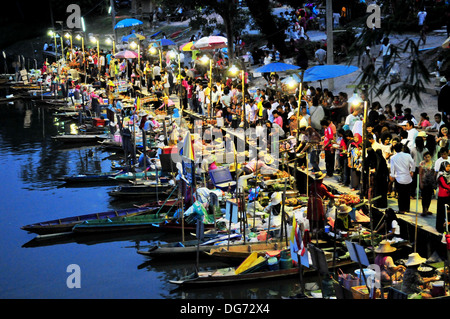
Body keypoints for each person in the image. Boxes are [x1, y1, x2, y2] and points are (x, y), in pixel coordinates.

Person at [389, 142, 415, 214]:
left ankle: (401, 209)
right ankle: (407, 208)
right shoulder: (408, 155)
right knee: (407, 193)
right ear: (402, 148)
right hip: (407, 177)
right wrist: (412, 171)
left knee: (400, 195)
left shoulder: (393, 157)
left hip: (399, 178)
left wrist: (392, 175)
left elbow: (392, 168)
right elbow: (413, 163)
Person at [419, 151, 436, 216]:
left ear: (430, 157)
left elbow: (435, 173)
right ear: (424, 157)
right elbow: (420, 174)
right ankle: (424, 210)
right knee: (424, 196)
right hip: (424, 182)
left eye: (428, 157)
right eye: (426, 157)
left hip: (431, 182)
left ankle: (427, 209)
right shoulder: (422, 163)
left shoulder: (433, 163)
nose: (427, 158)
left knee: (429, 197)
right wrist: (420, 183)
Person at [436, 161, 450, 233]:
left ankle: (447, 227)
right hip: (442, 196)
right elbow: (444, 185)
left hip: (448, 195)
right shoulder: (441, 175)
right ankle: (440, 227)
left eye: (449, 166)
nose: (448, 168)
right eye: (447, 166)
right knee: (441, 212)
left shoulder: (449, 175)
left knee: (447, 212)